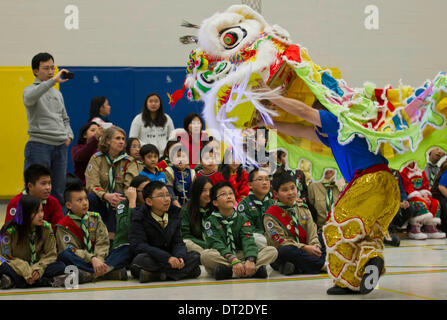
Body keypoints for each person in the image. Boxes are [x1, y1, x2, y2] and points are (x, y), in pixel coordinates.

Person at [259, 82, 400, 295]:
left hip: (369, 182)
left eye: (317, 119)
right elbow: (300, 130)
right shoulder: (337, 135)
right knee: (366, 235)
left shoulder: (338, 120)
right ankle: (372, 260)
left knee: (335, 228)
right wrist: (266, 121)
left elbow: (304, 112)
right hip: (388, 185)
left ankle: (347, 282)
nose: (314, 125)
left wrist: (272, 96)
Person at [23, 52, 74, 205]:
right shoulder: (30, 90)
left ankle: (56, 226)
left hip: (60, 146)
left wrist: (68, 136)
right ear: (35, 71)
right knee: (35, 190)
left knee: (58, 190)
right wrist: (52, 81)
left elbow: (65, 118)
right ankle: (32, 224)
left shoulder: (57, 93)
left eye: (52, 68)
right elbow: (30, 98)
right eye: (46, 68)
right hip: (39, 145)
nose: (51, 71)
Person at [200, 181, 278, 280]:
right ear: (215, 202)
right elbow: (216, 244)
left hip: (241, 254)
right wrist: (233, 260)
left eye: (231, 193)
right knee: (205, 255)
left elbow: (248, 240)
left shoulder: (242, 219)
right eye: (223, 194)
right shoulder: (211, 222)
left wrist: (250, 259)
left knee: (272, 251)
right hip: (223, 256)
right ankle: (252, 271)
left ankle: (229, 272)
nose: (229, 196)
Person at [56, 183, 130, 283]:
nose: (85, 203)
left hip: (101, 258)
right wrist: (92, 259)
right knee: (65, 254)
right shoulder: (63, 225)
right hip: (82, 260)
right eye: (79, 200)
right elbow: (71, 249)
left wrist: (99, 260)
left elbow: (103, 242)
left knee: (126, 247)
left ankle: (90, 274)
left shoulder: (95, 217)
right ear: (69, 205)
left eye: (86, 199)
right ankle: (107, 272)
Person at [129, 181, 201, 282]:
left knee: (195, 256)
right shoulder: (138, 216)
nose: (167, 199)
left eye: (168, 195)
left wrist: (179, 257)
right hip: (153, 257)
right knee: (140, 260)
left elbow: (178, 242)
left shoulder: (174, 213)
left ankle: (157, 276)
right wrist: (167, 258)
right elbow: (139, 245)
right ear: (149, 201)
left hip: (170, 256)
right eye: (161, 196)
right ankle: (179, 273)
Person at [264, 172, 326, 276]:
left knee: (324, 236)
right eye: (285, 190)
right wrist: (304, 248)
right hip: (290, 251)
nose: (290, 193)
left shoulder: (303, 207)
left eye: (293, 188)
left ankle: (301, 266)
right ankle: (322, 265)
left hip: (307, 250)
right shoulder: (270, 216)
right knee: (285, 251)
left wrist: (315, 246)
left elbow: (312, 231)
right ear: (275, 194)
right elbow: (280, 242)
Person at [0, 195, 67, 289]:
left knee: (60, 266)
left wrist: (38, 269)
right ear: (25, 213)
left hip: (38, 265)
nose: (41, 215)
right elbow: (5, 256)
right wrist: (25, 270)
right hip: (18, 267)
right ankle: (47, 281)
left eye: (42, 211)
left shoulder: (46, 228)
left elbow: (51, 254)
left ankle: (15, 282)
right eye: (36, 212)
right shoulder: (9, 231)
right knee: (3, 267)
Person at [85, 126, 139, 239]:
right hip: (101, 199)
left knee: (119, 200)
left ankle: (112, 238)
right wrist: (105, 195)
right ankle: (92, 234)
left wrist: (116, 197)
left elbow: (130, 185)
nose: (121, 141)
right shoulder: (96, 159)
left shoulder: (129, 161)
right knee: (91, 197)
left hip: (119, 200)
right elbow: (91, 184)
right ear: (108, 140)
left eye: (123, 139)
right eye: (118, 138)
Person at [5, 164, 63, 230]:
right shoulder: (16, 203)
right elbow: (9, 232)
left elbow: (59, 230)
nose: (48, 187)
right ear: (30, 186)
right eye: (43, 183)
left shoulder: (53, 202)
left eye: (49, 183)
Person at [401, 161, 445, 239]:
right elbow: (407, 187)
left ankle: (430, 228)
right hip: (411, 196)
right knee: (421, 203)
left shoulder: (420, 168)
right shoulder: (403, 169)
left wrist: (425, 195)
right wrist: (421, 197)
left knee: (435, 202)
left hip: (422, 195)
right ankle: (415, 228)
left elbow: (425, 185)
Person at [236, 167, 274, 249]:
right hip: (257, 239)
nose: (264, 183)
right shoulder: (244, 204)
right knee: (255, 238)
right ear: (250, 185)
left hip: (272, 237)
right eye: (260, 179)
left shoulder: (273, 203)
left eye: (267, 179)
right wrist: (266, 236)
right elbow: (247, 229)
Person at [181, 176, 214, 253]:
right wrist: (206, 245)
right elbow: (185, 235)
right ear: (196, 191)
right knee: (186, 243)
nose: (208, 194)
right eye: (203, 190)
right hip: (198, 246)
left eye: (211, 190)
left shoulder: (216, 206)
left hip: (216, 245)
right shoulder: (186, 209)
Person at [307, 168, 341, 233]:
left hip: (340, 230)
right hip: (321, 231)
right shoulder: (313, 186)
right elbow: (311, 212)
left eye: (330, 166)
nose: (327, 170)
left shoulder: (341, 185)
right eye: (324, 167)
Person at [431, 161, 447, 233]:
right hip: (437, 194)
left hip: (443, 194)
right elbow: (441, 187)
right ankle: (443, 228)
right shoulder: (446, 171)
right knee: (444, 207)